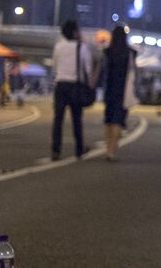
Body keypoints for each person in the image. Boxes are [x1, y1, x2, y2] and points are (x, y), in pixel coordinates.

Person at [52, 20, 95, 159]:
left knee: (58, 119)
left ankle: (55, 150)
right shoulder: (81, 47)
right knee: (77, 120)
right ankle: (79, 149)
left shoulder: (58, 47)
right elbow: (87, 68)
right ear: (75, 32)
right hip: (75, 86)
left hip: (60, 85)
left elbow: (54, 67)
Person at [102, 26, 136, 162]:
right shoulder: (130, 52)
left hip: (109, 88)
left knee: (108, 120)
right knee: (118, 120)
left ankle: (107, 149)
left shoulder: (107, 52)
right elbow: (134, 71)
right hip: (123, 90)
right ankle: (113, 150)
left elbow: (103, 70)